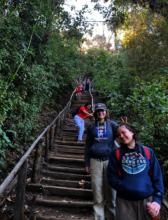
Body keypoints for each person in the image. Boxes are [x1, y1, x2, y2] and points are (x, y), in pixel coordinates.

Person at [107, 123, 164, 220]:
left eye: (123, 132)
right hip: (124, 202)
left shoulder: (148, 152)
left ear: (132, 132)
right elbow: (112, 176)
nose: (121, 136)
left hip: (147, 201)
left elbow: (157, 177)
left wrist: (157, 200)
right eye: (119, 134)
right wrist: (124, 186)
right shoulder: (116, 153)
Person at [85, 103, 118, 220]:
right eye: (98, 111)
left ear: (106, 111)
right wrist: (87, 163)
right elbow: (88, 145)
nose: (100, 113)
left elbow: (124, 137)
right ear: (95, 113)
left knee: (111, 195)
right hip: (95, 161)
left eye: (102, 110)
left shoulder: (112, 125)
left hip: (110, 162)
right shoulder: (91, 126)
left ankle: (111, 217)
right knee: (97, 195)